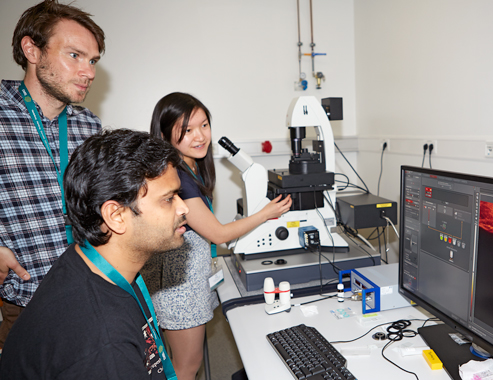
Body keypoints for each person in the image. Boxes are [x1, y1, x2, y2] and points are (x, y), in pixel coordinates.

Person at [0, 129, 188, 379]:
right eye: (168, 199)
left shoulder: (85, 260)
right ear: (116, 216)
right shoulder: (105, 346)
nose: (183, 207)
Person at [141, 92, 292, 380]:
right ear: (164, 134)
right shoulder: (178, 176)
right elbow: (219, 234)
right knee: (187, 366)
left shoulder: (191, 166)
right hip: (180, 288)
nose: (200, 136)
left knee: (188, 362)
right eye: (186, 130)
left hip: (193, 278)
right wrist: (266, 213)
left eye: (204, 125)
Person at [0, 0, 105, 349]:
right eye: (74, 55)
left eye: (92, 61)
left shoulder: (89, 125)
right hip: (26, 298)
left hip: (90, 292)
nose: (88, 71)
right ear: (32, 49)